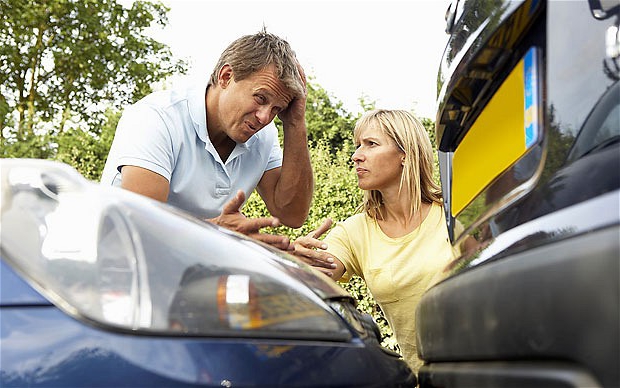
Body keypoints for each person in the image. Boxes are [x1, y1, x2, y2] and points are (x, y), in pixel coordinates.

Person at [101, 29, 313, 250]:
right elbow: (141, 229)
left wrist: (295, 123)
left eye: (277, 109)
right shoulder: (156, 117)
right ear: (226, 76)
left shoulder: (264, 135)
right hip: (118, 266)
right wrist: (222, 235)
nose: (265, 117)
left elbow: (292, 214)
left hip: (196, 269)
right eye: (260, 98)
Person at [292, 109, 467, 372]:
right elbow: (317, 275)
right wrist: (296, 263)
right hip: (422, 379)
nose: (356, 155)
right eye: (357, 146)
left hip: (485, 372)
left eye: (371, 144)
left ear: (405, 154)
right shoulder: (354, 232)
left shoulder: (455, 213)